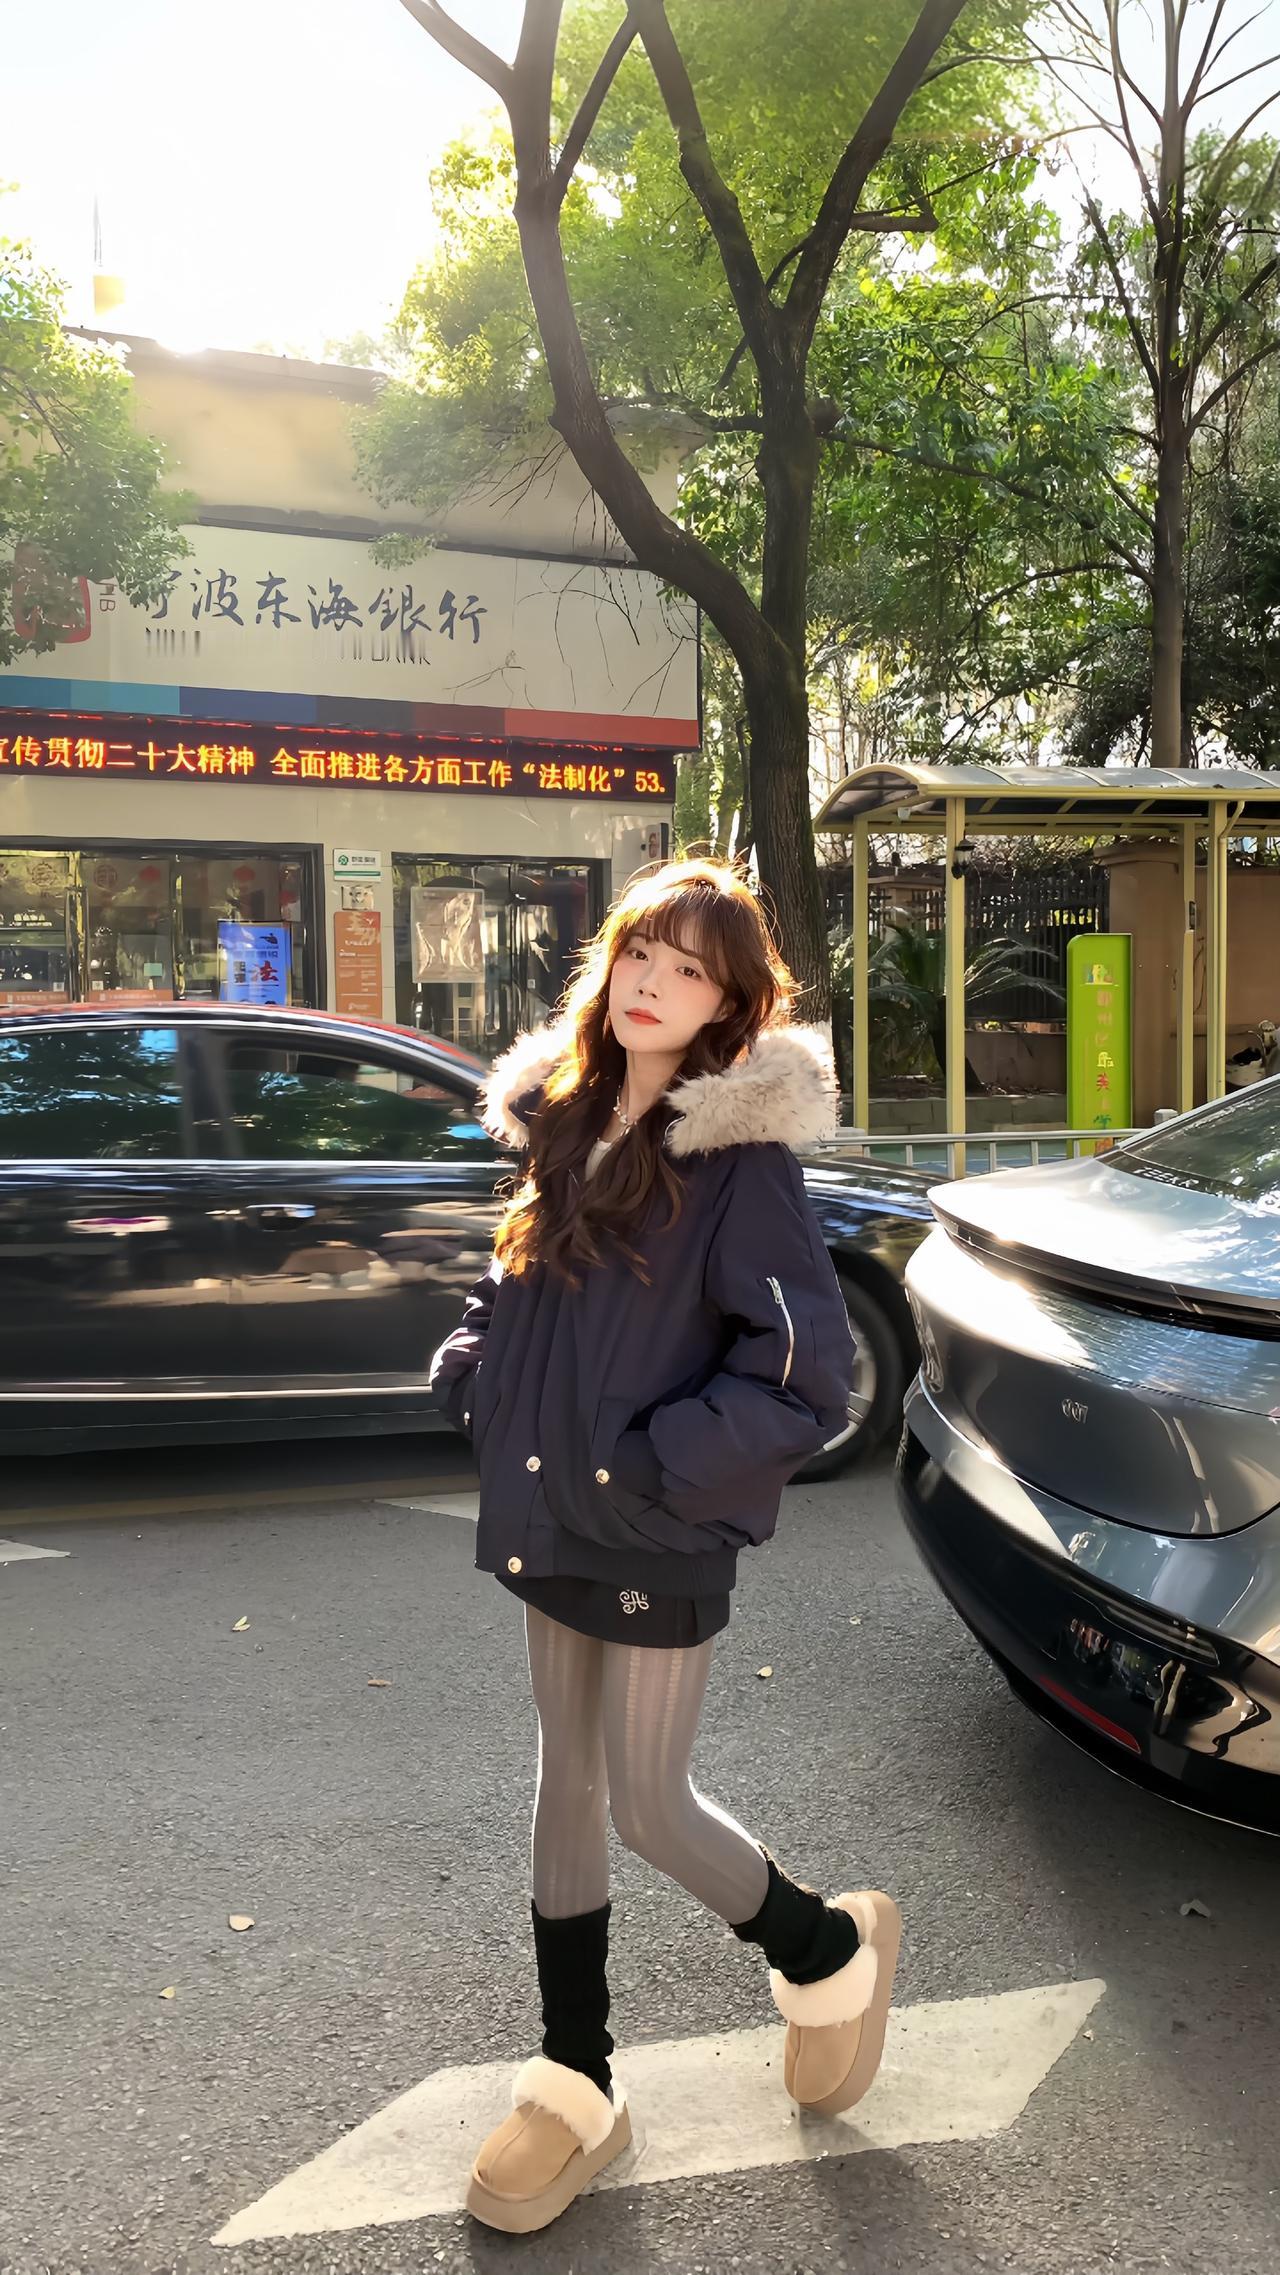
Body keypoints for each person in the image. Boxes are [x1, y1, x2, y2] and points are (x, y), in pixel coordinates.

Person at [430, 858, 901, 2236]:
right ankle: (576, 2080)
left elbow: (807, 1377)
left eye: (691, 970)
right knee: (563, 1786)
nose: (654, 983)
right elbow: (511, 1285)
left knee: (645, 1803)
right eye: (643, 951)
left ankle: (825, 1948)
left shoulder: (740, 1164)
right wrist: (473, 1372)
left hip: (658, 1522)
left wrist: (654, 1465)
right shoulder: (566, 1120)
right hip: (549, 1510)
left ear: (728, 1006)